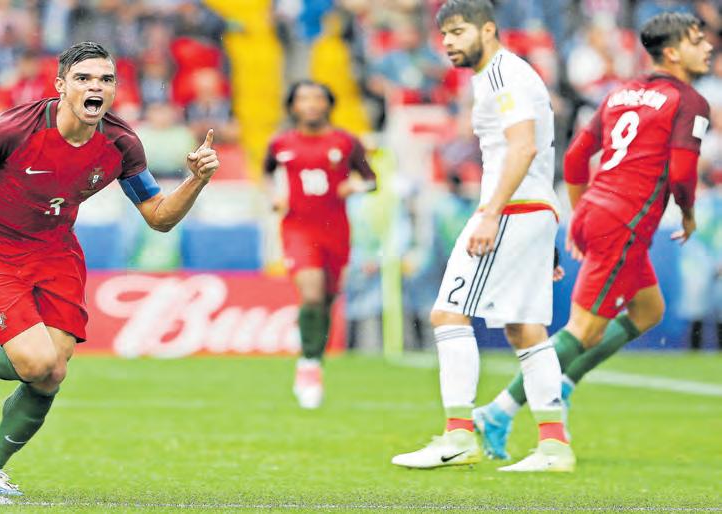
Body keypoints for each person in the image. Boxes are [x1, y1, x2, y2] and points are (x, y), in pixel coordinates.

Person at [0, 41, 219, 497]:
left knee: (52, 373)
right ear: (61, 85)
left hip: (56, 251)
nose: (95, 86)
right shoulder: (11, 129)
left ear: (114, 90)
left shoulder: (121, 144)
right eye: (83, 78)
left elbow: (159, 218)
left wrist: (196, 180)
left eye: (105, 79)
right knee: (36, 363)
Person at [475, 12, 712, 457]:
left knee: (649, 310)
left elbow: (575, 158)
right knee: (582, 331)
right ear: (673, 53)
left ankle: (564, 383)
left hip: (597, 212)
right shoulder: (690, 102)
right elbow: (682, 173)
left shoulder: (620, 93)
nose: (708, 46)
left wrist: (584, 209)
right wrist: (687, 215)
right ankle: (499, 410)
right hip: (623, 223)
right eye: (697, 40)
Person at [391, 0, 571, 472]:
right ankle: (554, 445)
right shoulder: (503, 74)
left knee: (448, 313)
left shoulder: (502, 75)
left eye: (458, 32)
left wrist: (491, 214)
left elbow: (523, 147)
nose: (448, 42)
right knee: (524, 328)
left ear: (488, 29)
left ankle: (458, 436)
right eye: (443, 35)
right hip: (531, 210)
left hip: (511, 210)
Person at [263, 80, 376, 408]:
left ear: (328, 104)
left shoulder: (346, 141)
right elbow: (267, 174)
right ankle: (309, 366)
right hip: (298, 228)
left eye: (317, 98)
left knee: (326, 299)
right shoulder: (280, 143)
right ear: (293, 106)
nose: (311, 104)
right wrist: (275, 195)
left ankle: (314, 357)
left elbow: (372, 180)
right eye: (303, 99)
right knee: (311, 293)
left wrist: (355, 187)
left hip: (336, 230)